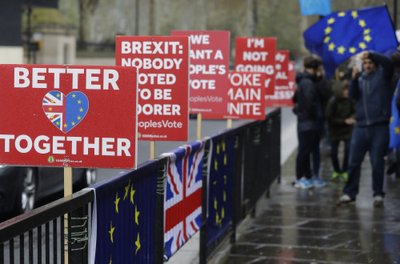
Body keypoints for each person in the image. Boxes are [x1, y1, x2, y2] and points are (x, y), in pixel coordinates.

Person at [337, 51, 394, 207]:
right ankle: (350, 193)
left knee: (377, 162)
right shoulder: (360, 78)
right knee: (353, 162)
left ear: (374, 63)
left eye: (370, 63)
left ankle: (378, 194)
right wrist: (354, 80)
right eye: (365, 63)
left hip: (379, 126)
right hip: (361, 126)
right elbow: (353, 97)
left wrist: (372, 54)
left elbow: (389, 64)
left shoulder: (383, 76)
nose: (367, 65)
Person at [292, 55, 324, 189]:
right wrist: (316, 114)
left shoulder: (303, 81)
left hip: (304, 121)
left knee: (305, 150)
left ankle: (306, 176)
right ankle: (301, 177)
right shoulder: (309, 83)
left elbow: (295, 99)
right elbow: (310, 103)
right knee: (304, 151)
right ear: (316, 69)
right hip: (309, 122)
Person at [325, 80, 355, 181]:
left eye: (347, 89)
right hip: (335, 130)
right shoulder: (333, 101)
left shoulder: (350, 100)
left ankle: (345, 170)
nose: (347, 92)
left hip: (348, 130)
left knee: (348, 150)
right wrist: (343, 121)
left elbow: (355, 110)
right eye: (344, 90)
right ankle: (337, 170)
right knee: (334, 152)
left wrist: (352, 117)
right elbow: (329, 117)